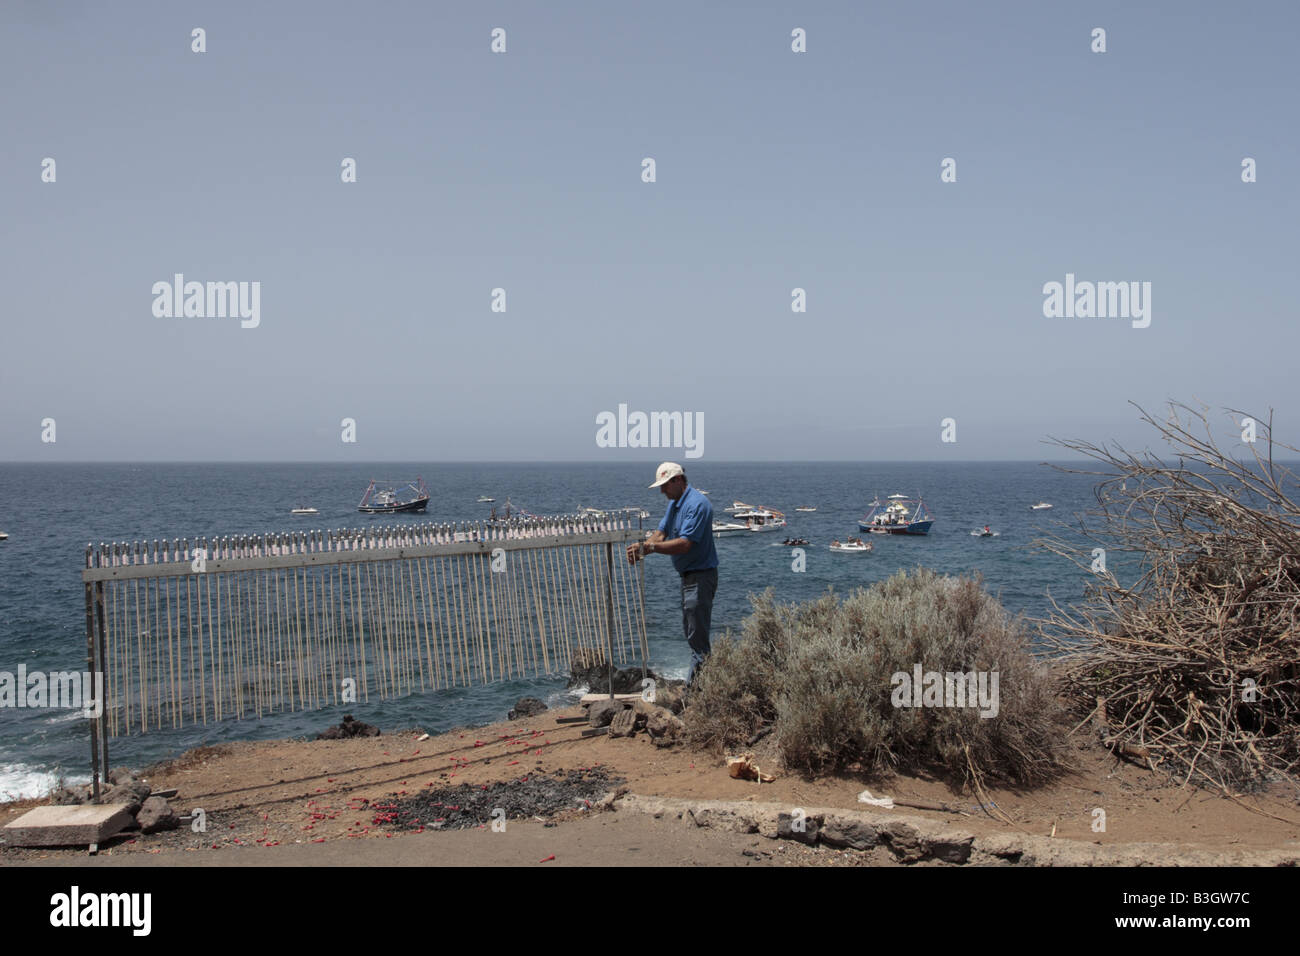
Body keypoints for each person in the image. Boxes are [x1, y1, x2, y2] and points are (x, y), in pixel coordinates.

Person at [627, 462, 718, 686]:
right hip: (689, 578)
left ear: (678, 480)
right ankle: (703, 689)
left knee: (698, 640)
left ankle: (696, 694)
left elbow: (685, 544)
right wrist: (643, 548)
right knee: (692, 633)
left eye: (665, 485)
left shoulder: (697, 504)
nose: (662, 491)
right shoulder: (676, 503)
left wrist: (650, 548)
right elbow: (661, 532)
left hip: (700, 576)